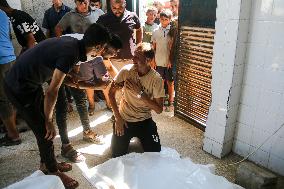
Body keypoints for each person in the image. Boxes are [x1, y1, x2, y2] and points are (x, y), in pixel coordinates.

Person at [3, 23, 111, 188]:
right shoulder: (71, 53)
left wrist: (77, 79)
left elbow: (60, 74)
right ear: (98, 46)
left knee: (44, 129)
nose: (102, 52)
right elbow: (53, 90)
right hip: (18, 86)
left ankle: (47, 163)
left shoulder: (73, 43)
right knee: (45, 130)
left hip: (31, 82)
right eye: (103, 48)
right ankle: (53, 171)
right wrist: (48, 119)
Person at [54, 0, 105, 163]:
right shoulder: (72, 41)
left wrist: (92, 84)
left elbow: (77, 81)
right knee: (61, 104)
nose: (83, 4)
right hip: (57, 66)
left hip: (74, 60)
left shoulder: (88, 50)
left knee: (80, 97)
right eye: (79, 1)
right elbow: (57, 85)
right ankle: (65, 144)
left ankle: (87, 131)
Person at [108, 43, 165, 158]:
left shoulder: (156, 79)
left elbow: (159, 110)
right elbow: (110, 93)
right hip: (125, 119)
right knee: (117, 154)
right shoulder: (126, 71)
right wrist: (118, 118)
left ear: (148, 60)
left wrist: (140, 94)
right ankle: (115, 123)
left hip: (144, 119)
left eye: (137, 57)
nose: (133, 59)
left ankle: (142, 137)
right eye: (134, 55)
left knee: (155, 154)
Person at [97, 0, 142, 71]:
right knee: (116, 81)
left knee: (131, 81)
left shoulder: (133, 16)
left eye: (120, 7)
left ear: (125, 4)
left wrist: (138, 44)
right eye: (114, 8)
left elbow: (139, 29)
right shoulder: (103, 19)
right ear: (110, 5)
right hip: (112, 60)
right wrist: (104, 57)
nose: (117, 10)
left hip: (131, 58)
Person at [0, 10, 20, 147]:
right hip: (10, 56)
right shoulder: (2, 13)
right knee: (11, 96)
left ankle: (13, 135)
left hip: (1, 60)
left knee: (3, 100)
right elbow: (8, 34)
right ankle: (12, 128)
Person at [152, 9, 175, 111]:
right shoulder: (156, 31)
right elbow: (153, 47)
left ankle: (171, 101)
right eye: (162, 19)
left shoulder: (173, 31)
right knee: (160, 82)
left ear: (170, 20)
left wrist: (170, 60)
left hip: (169, 62)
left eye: (166, 19)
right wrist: (152, 60)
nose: (163, 21)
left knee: (170, 82)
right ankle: (159, 102)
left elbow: (172, 47)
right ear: (159, 19)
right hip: (158, 60)